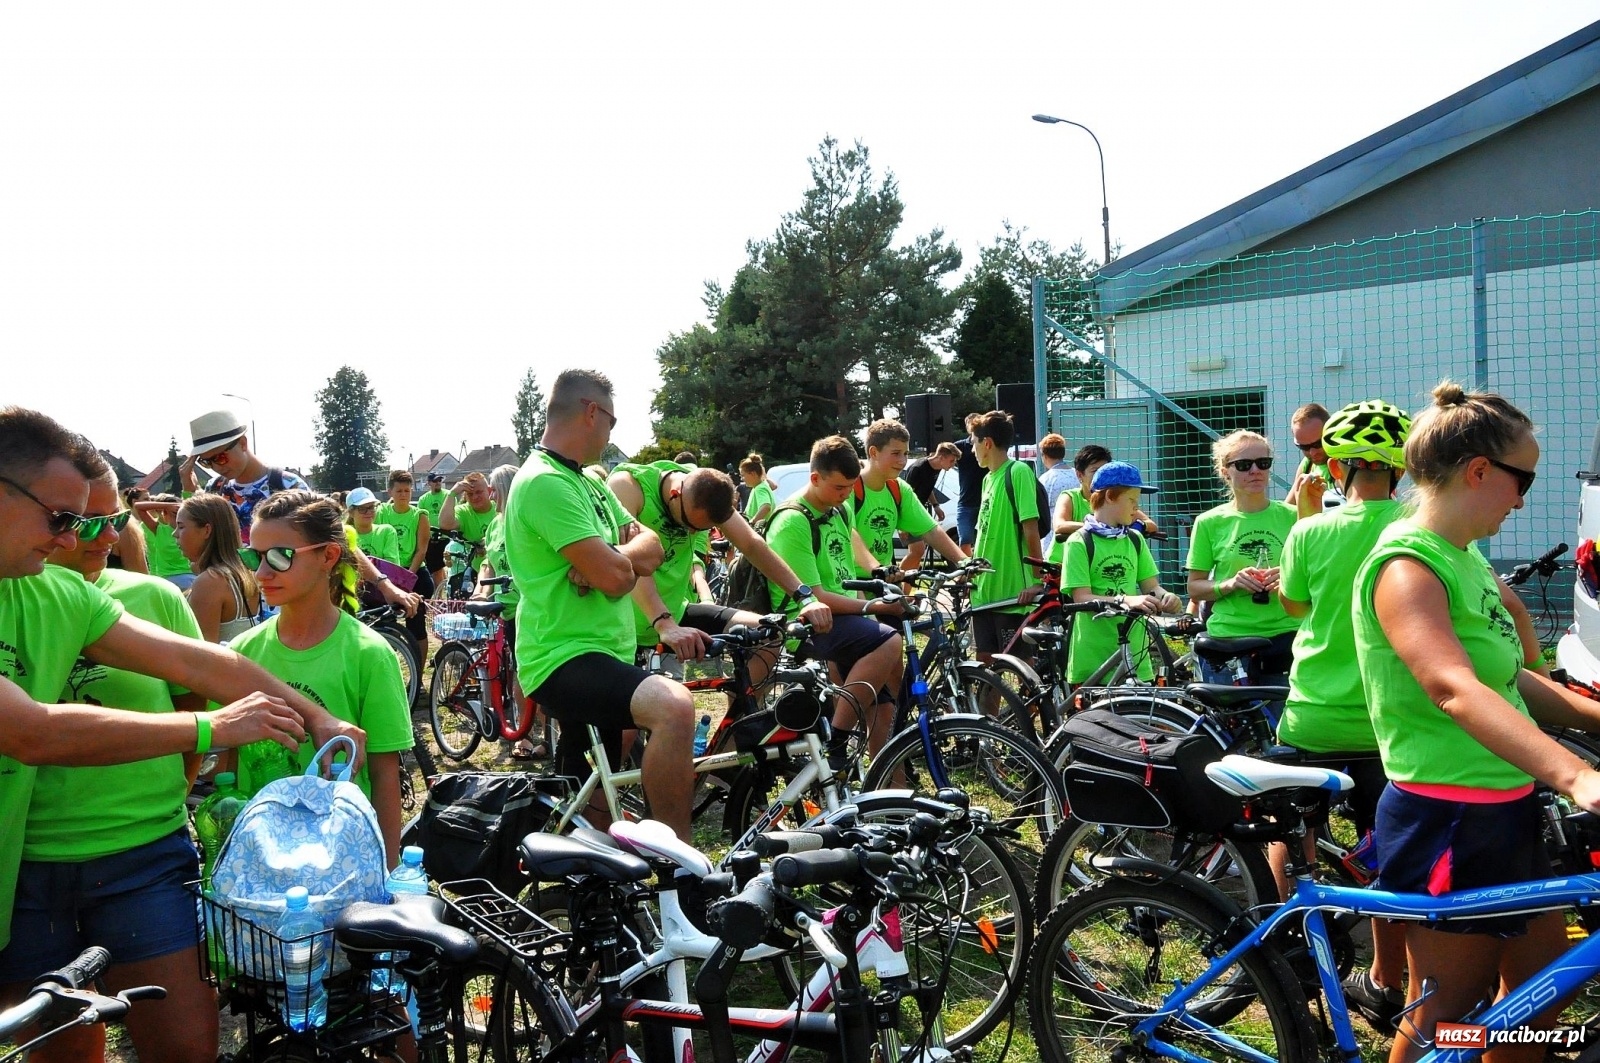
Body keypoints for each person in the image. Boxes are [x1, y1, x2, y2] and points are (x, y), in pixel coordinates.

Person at [0, 408, 359, 1026]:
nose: (72, 540)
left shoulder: (53, 592)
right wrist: (211, 729)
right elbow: (32, 730)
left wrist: (314, 716)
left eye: (96, 521)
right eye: (62, 518)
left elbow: (205, 666)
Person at [1352, 383, 1600, 1063]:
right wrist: (1575, 772)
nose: (1524, 498)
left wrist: (1592, 719)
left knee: (1536, 1001)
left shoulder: (1467, 560)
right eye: (1524, 479)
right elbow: (1454, 687)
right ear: (1480, 471)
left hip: (1508, 804)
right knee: (1443, 1019)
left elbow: (1508, 679)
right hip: (1449, 816)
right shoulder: (1406, 564)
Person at [1, 466, 217, 1063]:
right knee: (62, 1051)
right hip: (26, 870)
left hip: (142, 854)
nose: (101, 537)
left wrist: (176, 786)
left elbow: (195, 690)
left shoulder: (153, 599)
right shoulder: (13, 595)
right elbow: (33, 734)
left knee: (183, 1047)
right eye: (81, 520)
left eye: (116, 520)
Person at [503, 370, 697, 838]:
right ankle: (683, 866)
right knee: (674, 707)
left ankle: (581, 883)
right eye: (612, 419)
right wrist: (615, 564)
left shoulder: (588, 482)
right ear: (592, 412)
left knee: (592, 795)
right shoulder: (546, 482)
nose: (613, 432)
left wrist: (614, 558)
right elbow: (615, 579)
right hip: (564, 657)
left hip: (600, 652)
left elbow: (651, 546)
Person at [1273, 400, 1413, 1023]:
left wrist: (1307, 520)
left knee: (1292, 834)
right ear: (1402, 469)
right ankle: (1386, 977)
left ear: (1335, 465)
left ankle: (1293, 955)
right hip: (1390, 721)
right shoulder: (1417, 526)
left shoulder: (1310, 530)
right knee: (1384, 846)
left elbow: (1294, 607)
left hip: (1314, 713)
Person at [227, 491, 412, 868]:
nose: (261, 573)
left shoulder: (369, 654)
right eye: (253, 556)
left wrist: (388, 876)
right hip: (260, 860)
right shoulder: (241, 653)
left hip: (343, 859)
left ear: (328, 556)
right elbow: (228, 764)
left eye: (279, 556)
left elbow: (384, 777)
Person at [606, 458, 829, 679]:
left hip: (675, 612)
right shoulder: (627, 487)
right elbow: (631, 563)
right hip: (623, 622)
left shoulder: (706, 487)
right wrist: (665, 624)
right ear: (675, 494)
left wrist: (804, 597)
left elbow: (752, 545)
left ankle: (741, 714)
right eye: (689, 525)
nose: (693, 534)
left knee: (769, 633)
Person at [762, 436, 902, 754]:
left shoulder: (838, 510)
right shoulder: (793, 521)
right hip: (805, 625)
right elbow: (816, 596)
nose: (846, 495)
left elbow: (849, 555)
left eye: (850, 487)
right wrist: (873, 605)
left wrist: (879, 575)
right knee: (889, 640)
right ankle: (836, 741)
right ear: (815, 478)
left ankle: (885, 782)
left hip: (840, 619)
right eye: (839, 488)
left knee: (882, 707)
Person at [1186, 430, 1303, 685]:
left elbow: (1315, 576)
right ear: (1225, 471)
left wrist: (1288, 577)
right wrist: (1231, 584)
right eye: (1243, 465)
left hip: (1286, 638)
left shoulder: (1294, 516)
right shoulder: (1209, 523)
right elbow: (1195, 588)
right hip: (1229, 645)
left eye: (1263, 463)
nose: (1255, 471)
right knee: (1230, 725)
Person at [1062, 462, 1182, 685]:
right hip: (1093, 658)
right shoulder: (1079, 542)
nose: (1137, 508)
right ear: (1109, 496)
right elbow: (1081, 597)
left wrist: (1166, 597)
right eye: (1132, 499)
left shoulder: (1135, 540)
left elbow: (1151, 587)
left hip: (1135, 653)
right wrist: (1126, 599)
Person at [967, 411, 1044, 664]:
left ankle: (1035, 706)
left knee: (1020, 666)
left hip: (1012, 595)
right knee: (985, 668)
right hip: (984, 596)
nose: (972, 449)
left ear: (986, 443)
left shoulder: (1018, 471)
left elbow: (1030, 529)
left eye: (973, 442)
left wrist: (1037, 581)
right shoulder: (987, 479)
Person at [179, 408, 309, 544]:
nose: (216, 468)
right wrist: (188, 490)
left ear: (242, 443)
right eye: (207, 462)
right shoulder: (214, 489)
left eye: (221, 458)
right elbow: (197, 540)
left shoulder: (289, 486)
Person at [852, 419, 964, 574]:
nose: (903, 461)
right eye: (895, 453)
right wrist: (876, 569)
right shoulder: (850, 488)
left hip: (883, 581)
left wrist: (964, 562)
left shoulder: (898, 488)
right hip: (851, 585)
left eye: (905, 454)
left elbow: (931, 530)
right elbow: (850, 534)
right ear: (873, 452)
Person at [175, 494, 262, 644]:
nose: (174, 533)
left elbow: (201, 655)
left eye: (181, 526)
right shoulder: (245, 570)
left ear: (206, 530)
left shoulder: (210, 582)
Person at [375, 469, 434, 667]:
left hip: (414, 573)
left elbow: (421, 549)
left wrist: (406, 577)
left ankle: (418, 669)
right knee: (384, 625)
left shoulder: (420, 516)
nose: (403, 495)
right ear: (390, 491)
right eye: (399, 490)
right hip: (386, 575)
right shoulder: (381, 512)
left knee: (416, 626)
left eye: (407, 491)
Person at [901, 440, 960, 571]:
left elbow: (929, 488)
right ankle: (896, 581)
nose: (953, 464)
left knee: (917, 554)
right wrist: (902, 526)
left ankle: (905, 589)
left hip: (918, 513)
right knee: (917, 551)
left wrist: (936, 505)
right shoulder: (918, 468)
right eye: (951, 461)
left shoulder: (937, 468)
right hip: (908, 514)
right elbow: (904, 496)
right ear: (941, 457)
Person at [439, 470, 497, 591]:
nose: (475, 497)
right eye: (470, 494)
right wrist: (452, 493)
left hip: (501, 568)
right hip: (477, 572)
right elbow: (445, 523)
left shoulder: (499, 507)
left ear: (489, 491)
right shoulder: (464, 511)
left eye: (479, 492)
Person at [132, 490, 195, 590]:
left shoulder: (158, 530)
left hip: (167, 581)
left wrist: (166, 506)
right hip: (192, 578)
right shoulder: (191, 528)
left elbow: (138, 506)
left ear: (164, 513)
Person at [1284, 401, 1338, 509]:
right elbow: (1288, 508)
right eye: (1304, 447)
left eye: (1318, 444)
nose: (1313, 452)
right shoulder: (1307, 464)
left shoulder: (1346, 463)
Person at [1036, 433, 1079, 554]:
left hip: (1053, 537)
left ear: (1045, 455)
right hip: (1077, 532)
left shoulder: (1046, 479)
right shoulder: (1078, 475)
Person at [953, 415, 986, 552]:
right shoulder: (959, 446)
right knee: (965, 540)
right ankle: (968, 570)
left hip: (985, 501)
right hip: (966, 502)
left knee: (985, 540)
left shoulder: (986, 444)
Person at [347, 487, 403, 565]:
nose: (368, 512)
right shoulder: (344, 535)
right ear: (351, 512)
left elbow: (391, 568)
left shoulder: (387, 532)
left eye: (371, 507)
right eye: (362, 509)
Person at [418, 471, 450, 589]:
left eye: (439, 481)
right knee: (436, 570)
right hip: (432, 539)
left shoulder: (448, 495)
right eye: (435, 481)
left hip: (447, 537)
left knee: (450, 567)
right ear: (429, 483)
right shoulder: (423, 499)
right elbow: (420, 519)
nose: (438, 483)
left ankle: (447, 590)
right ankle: (439, 596)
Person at [740, 454, 775, 523]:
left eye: (743, 475)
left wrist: (751, 523)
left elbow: (766, 507)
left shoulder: (759, 488)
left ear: (753, 474)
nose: (742, 479)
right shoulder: (762, 485)